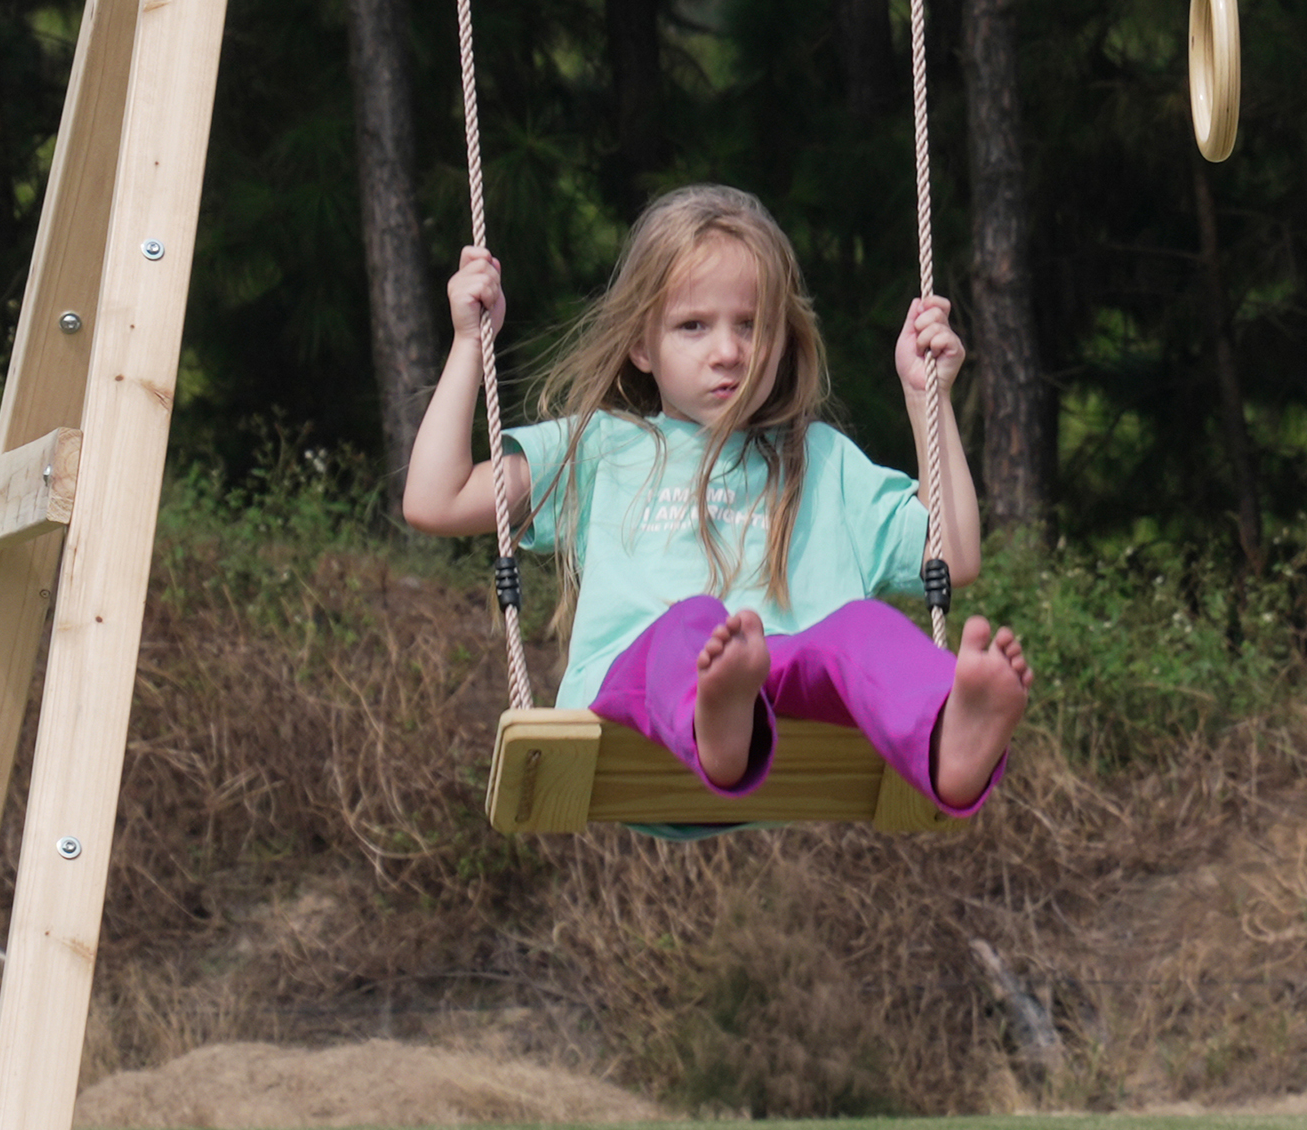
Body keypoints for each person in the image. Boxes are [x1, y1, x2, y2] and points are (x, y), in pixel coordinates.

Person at [402, 184, 1028, 824]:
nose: (728, 351)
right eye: (693, 326)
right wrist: (466, 345)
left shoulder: (823, 461)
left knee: (863, 633)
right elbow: (437, 500)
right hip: (636, 706)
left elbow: (951, 554)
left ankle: (945, 739)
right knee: (692, 625)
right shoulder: (602, 449)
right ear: (642, 345)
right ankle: (719, 715)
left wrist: (929, 399)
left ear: (783, 339)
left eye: (751, 326)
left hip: (780, 693)